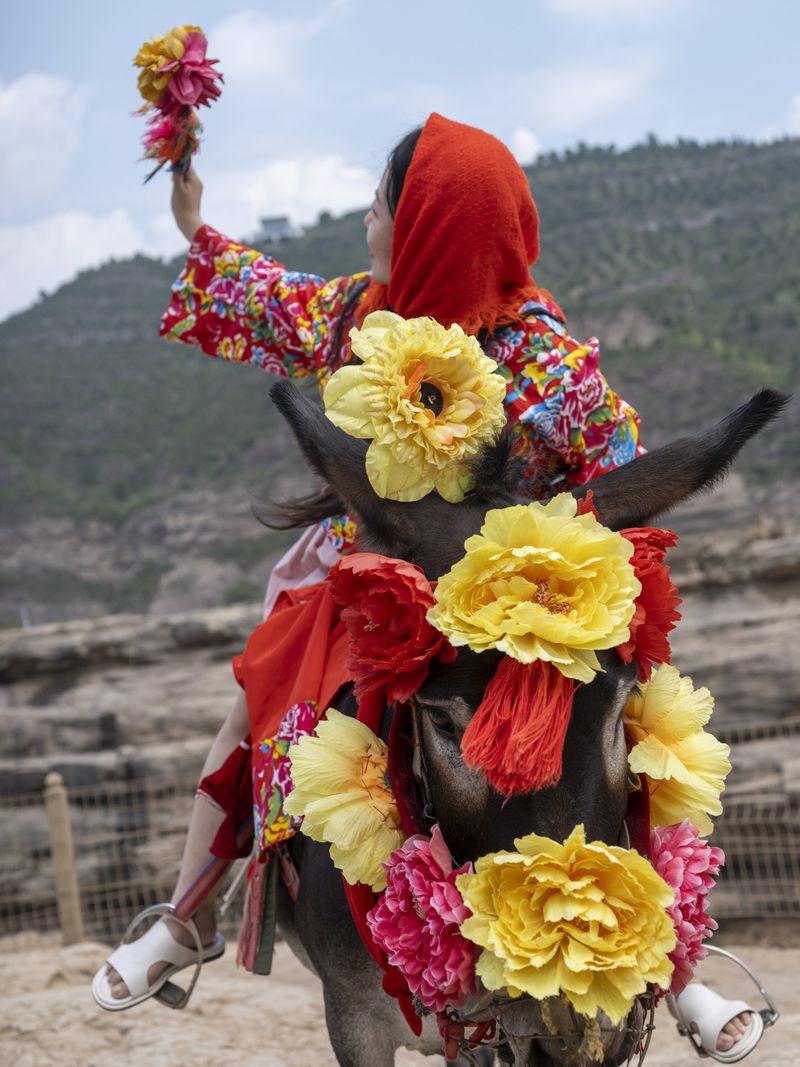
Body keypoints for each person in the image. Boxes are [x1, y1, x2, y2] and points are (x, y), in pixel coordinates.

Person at [92, 113, 754, 1059]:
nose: (367, 223)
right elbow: (265, 299)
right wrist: (196, 230)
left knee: (632, 726)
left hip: (526, 602)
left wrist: (565, 554)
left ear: (428, 226)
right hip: (382, 579)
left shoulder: (545, 355)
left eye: (379, 206)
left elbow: (620, 459)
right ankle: (189, 914)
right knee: (257, 702)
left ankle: (673, 962)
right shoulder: (360, 317)